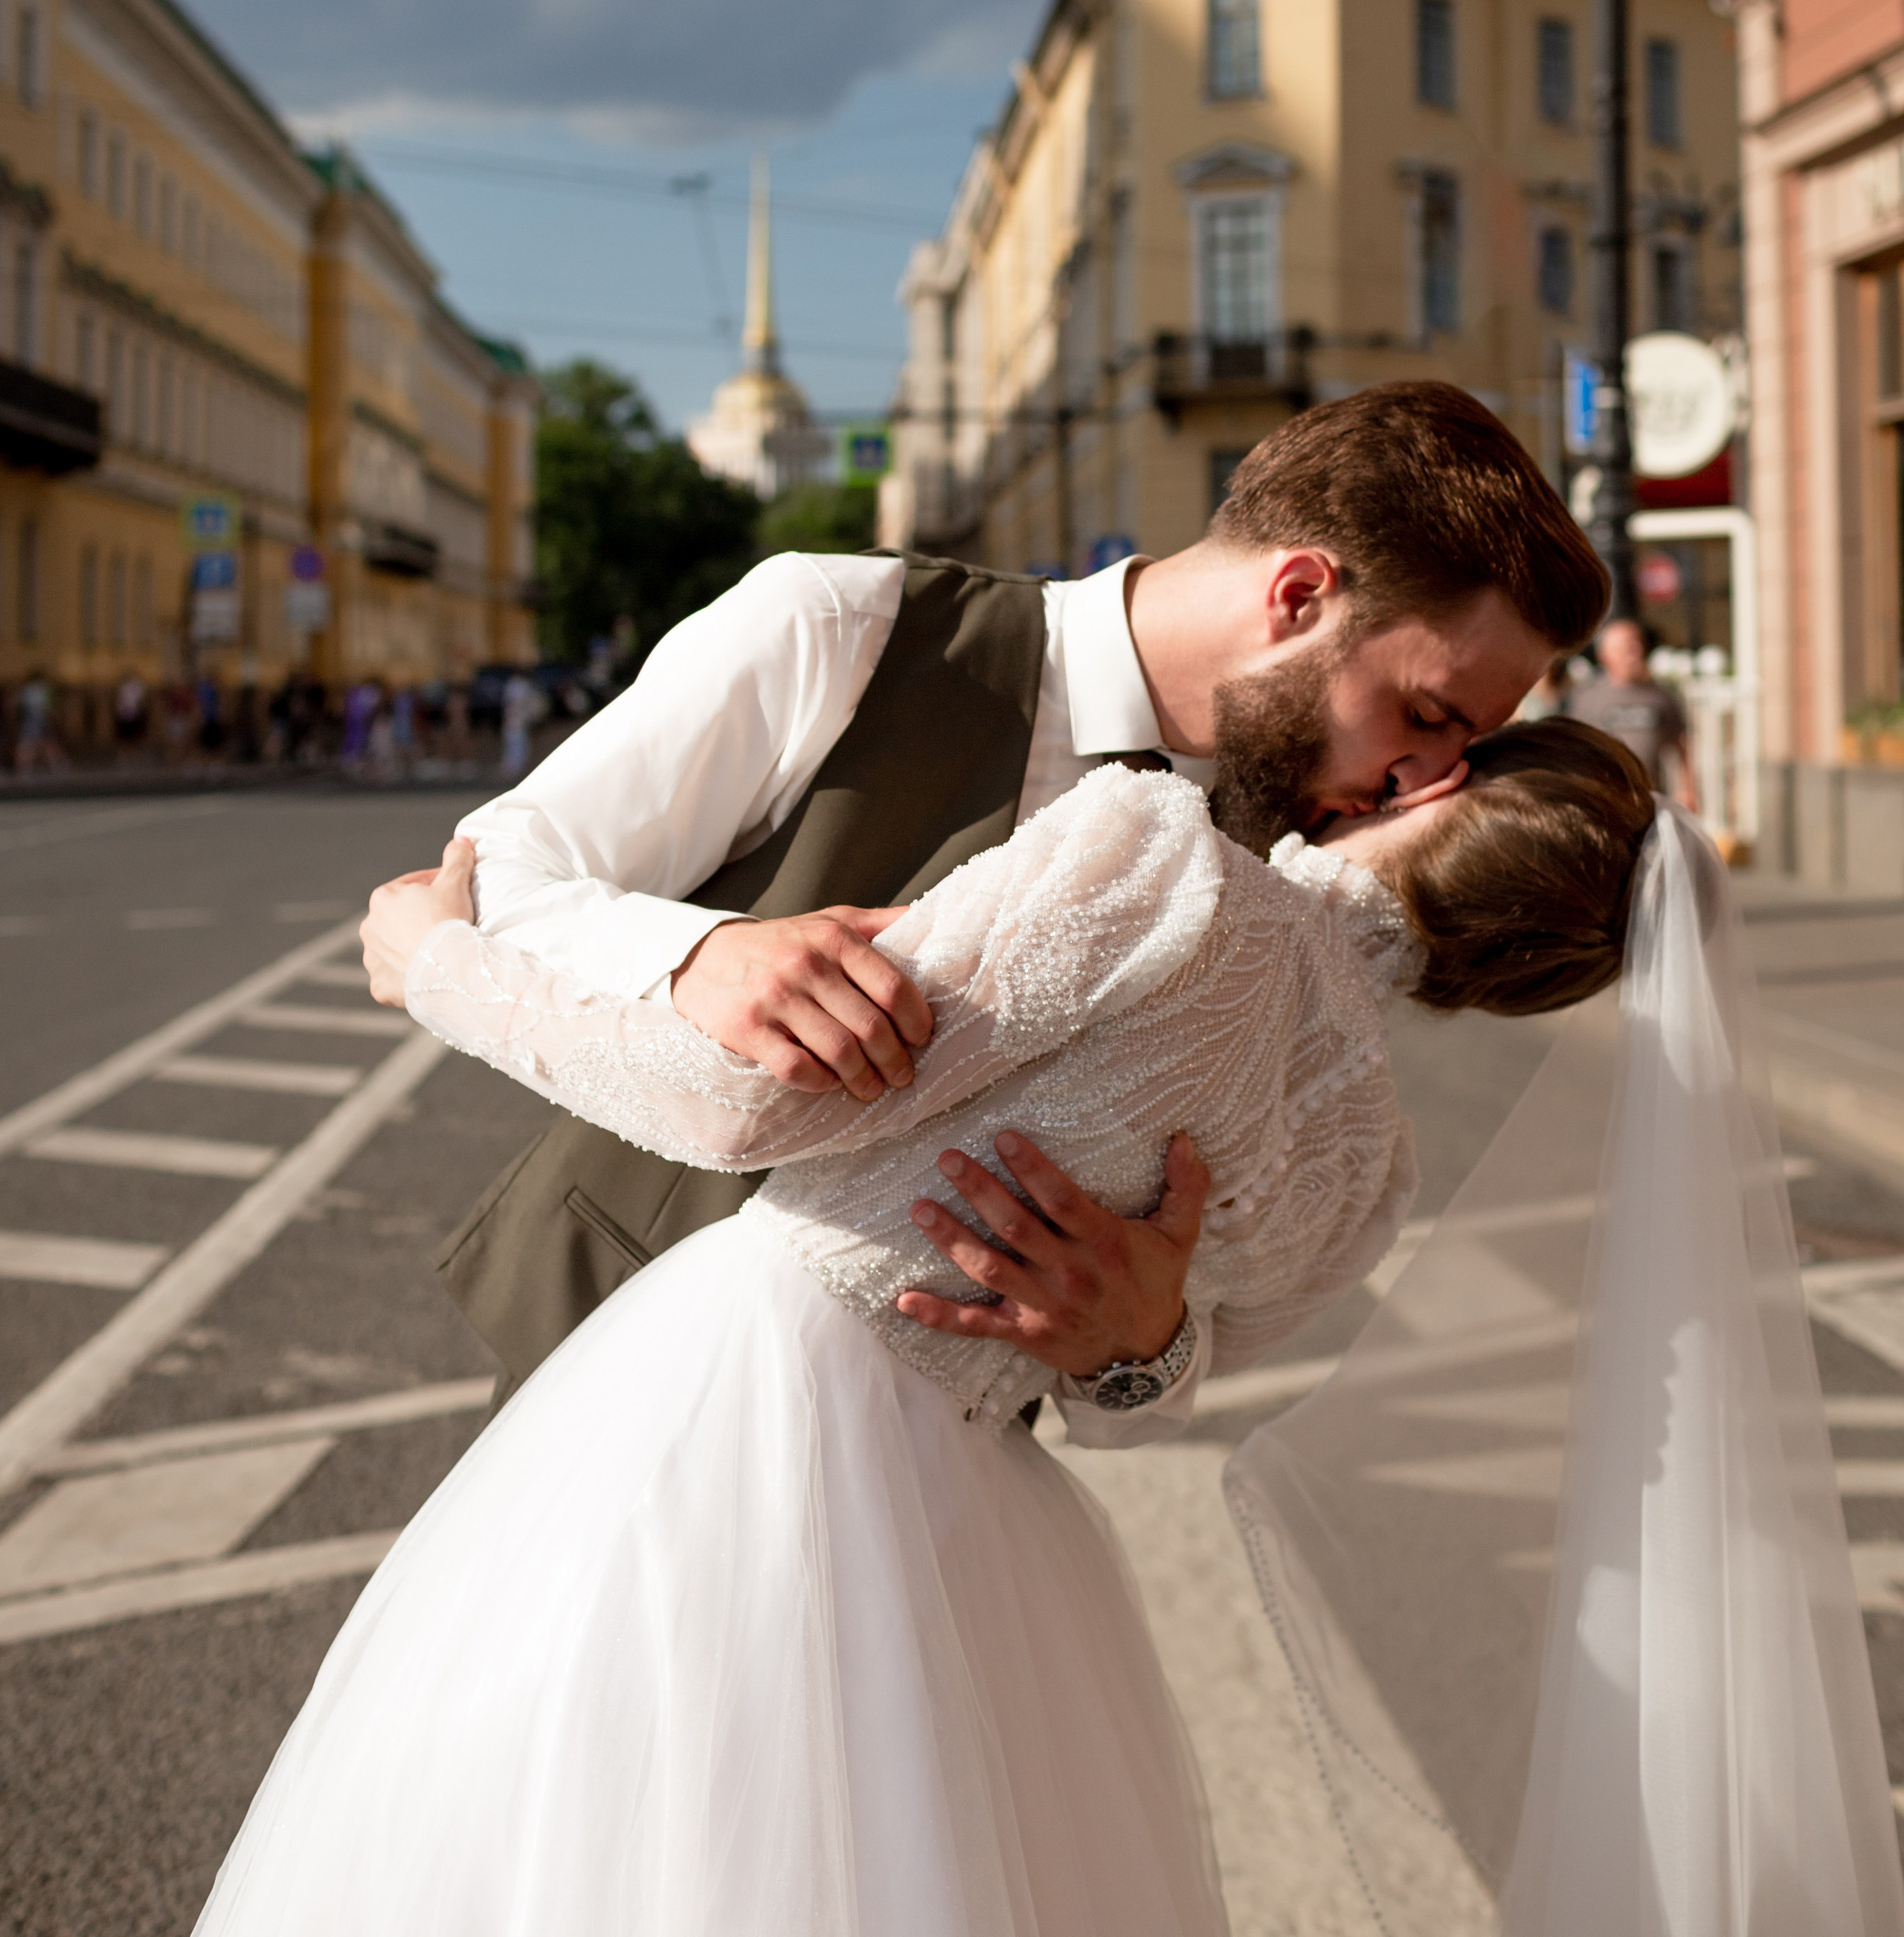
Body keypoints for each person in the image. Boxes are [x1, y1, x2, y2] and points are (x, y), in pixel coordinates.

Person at [193, 719, 1654, 1937]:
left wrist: (440, 964)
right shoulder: (1367, 1163)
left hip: (753, 1378)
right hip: (970, 1484)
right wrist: (1130, 1344)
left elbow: (747, 1102)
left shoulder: (1162, 864)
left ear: (1433, 781)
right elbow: (1136, 1405)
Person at [431, 381, 1607, 1418]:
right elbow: (491, 877)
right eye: (1427, 714)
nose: (1424, 780)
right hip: (596, 1372)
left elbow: (1173, 1351)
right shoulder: (846, 627)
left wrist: (1136, 1348)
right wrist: (702, 958)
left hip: (917, 1495)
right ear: (1299, 594)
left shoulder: (1286, 864)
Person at [1569, 612, 1699, 808]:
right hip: (1604, 802)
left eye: (1637, 645)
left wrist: (1688, 790)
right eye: (1627, 648)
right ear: (1605, 656)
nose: (1636, 652)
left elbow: (1682, 743)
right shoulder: (1587, 699)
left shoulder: (1661, 695)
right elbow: (1572, 750)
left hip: (1651, 801)